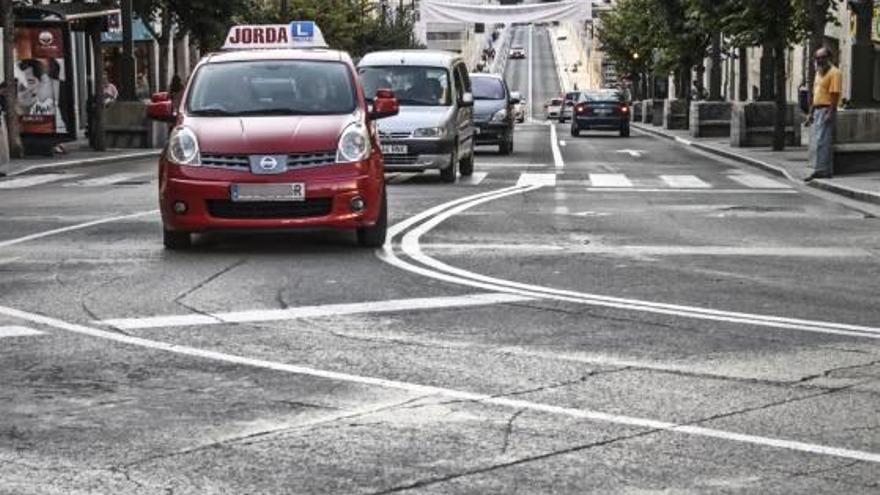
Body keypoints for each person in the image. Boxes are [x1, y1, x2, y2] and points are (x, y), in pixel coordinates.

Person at [805, 47, 841, 181]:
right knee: (817, 141)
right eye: (817, 58)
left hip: (826, 109)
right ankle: (819, 169)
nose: (819, 60)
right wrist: (810, 113)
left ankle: (823, 171)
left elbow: (835, 94)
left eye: (822, 57)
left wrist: (830, 112)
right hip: (817, 109)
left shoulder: (834, 73)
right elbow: (816, 95)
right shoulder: (818, 73)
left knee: (823, 141)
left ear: (829, 58)